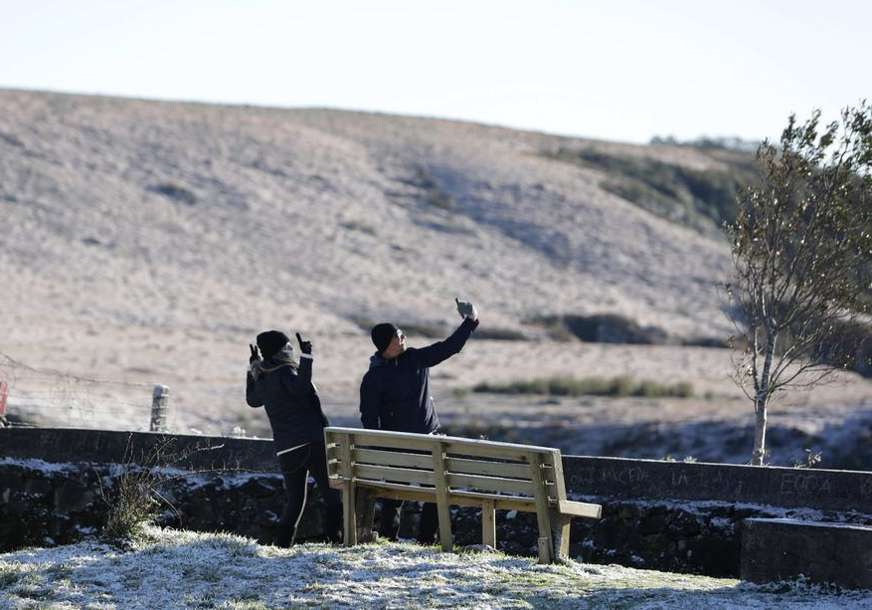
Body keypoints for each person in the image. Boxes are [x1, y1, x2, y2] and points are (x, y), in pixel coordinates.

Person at [359, 298, 479, 543]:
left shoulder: (413, 359)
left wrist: (470, 321)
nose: (403, 339)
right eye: (397, 337)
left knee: (433, 490)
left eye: (402, 334)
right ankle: (394, 537)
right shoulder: (375, 377)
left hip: (420, 441)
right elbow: (369, 418)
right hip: (403, 445)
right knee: (411, 493)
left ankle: (424, 538)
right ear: (385, 346)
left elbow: (449, 347)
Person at [246, 330, 341, 546]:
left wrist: (252, 367)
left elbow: (252, 400)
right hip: (311, 443)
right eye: (287, 346)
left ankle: (282, 544)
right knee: (333, 496)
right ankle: (335, 540)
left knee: (295, 501)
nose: (291, 350)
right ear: (280, 351)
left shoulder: (264, 376)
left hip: (286, 450)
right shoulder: (286, 371)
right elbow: (301, 389)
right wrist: (307, 358)